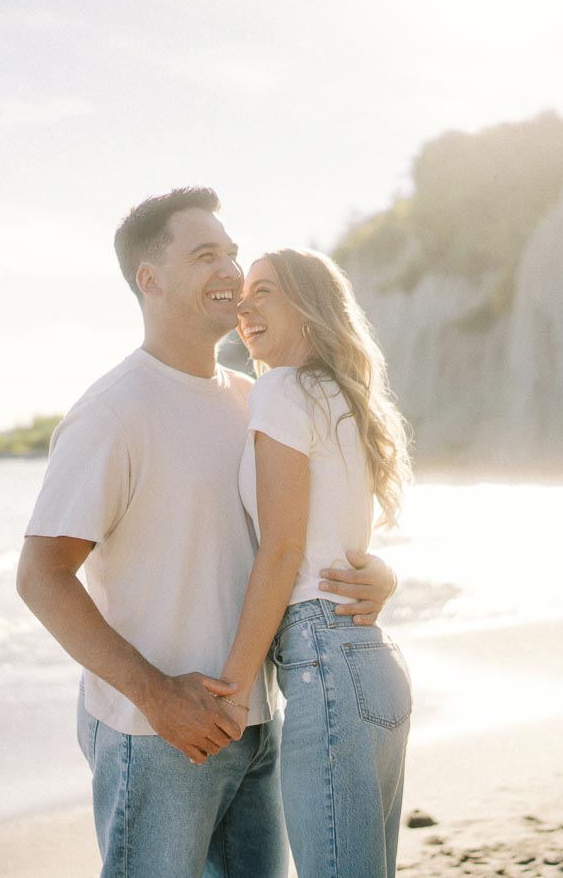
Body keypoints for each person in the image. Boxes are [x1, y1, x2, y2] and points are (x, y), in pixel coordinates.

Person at [15, 187, 398, 877]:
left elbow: (300, 539)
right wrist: (159, 698)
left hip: (258, 724)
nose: (229, 271)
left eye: (231, 253)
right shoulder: (112, 412)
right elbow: (40, 577)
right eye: (204, 256)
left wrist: (377, 574)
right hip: (156, 735)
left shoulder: (259, 397)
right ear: (150, 279)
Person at [216, 248, 413, 877]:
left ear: (310, 307)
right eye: (242, 296)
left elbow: (281, 550)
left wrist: (231, 689)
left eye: (264, 291)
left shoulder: (280, 389)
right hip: (371, 663)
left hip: (324, 666)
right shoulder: (341, 397)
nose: (244, 307)